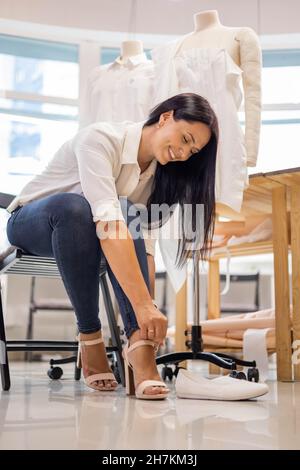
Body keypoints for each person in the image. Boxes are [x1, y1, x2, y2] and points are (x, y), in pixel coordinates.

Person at [6, 92, 218, 400]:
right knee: (79, 208)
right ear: (166, 117)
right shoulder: (101, 138)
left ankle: (139, 350)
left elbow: (143, 248)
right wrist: (144, 307)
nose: (184, 153)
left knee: (126, 211)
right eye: (185, 139)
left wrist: (146, 315)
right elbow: (108, 223)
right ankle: (89, 335)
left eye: (192, 150)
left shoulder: (160, 175)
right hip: (32, 223)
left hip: (87, 238)